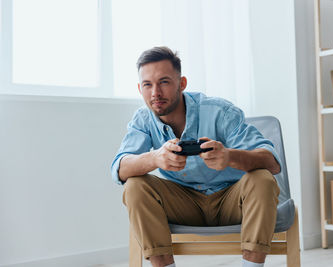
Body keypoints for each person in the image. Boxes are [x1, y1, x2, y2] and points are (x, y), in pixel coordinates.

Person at [111, 46, 281, 267]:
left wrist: (229, 156)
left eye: (164, 82)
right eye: (147, 85)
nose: (155, 93)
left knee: (263, 179)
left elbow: (272, 162)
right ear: (139, 88)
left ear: (182, 83)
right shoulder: (143, 119)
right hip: (182, 204)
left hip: (231, 201)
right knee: (134, 185)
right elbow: (119, 169)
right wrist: (155, 158)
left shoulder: (220, 112)